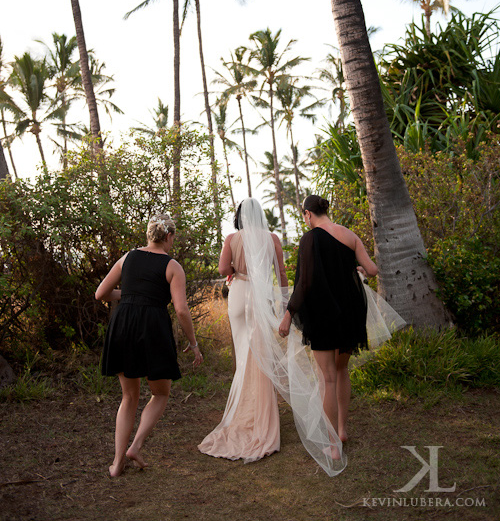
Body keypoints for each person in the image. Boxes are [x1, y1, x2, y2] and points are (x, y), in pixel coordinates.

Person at [279, 194, 400, 445]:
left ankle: (333, 444)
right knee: (342, 370)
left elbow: (305, 282)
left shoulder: (310, 238)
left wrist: (289, 313)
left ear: (308, 214)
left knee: (328, 378)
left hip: (323, 314)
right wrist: (360, 270)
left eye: (304, 216)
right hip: (350, 311)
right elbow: (373, 269)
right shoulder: (350, 235)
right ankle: (342, 431)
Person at [95, 213, 203, 477]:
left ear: (148, 235)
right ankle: (136, 446)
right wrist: (193, 342)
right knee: (161, 393)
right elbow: (181, 310)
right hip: (152, 326)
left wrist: (131, 294)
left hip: (124, 324)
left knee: (129, 396)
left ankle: (117, 463)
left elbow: (101, 294)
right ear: (168, 236)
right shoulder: (172, 266)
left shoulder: (127, 258)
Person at [198, 198, 288, 462]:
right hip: (261, 295)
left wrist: (236, 268)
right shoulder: (272, 239)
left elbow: (223, 269)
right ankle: (259, 415)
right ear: (260, 215)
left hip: (238, 294)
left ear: (240, 216)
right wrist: (283, 306)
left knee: (243, 352)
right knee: (260, 353)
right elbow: (281, 273)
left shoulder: (232, 238)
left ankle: (244, 412)